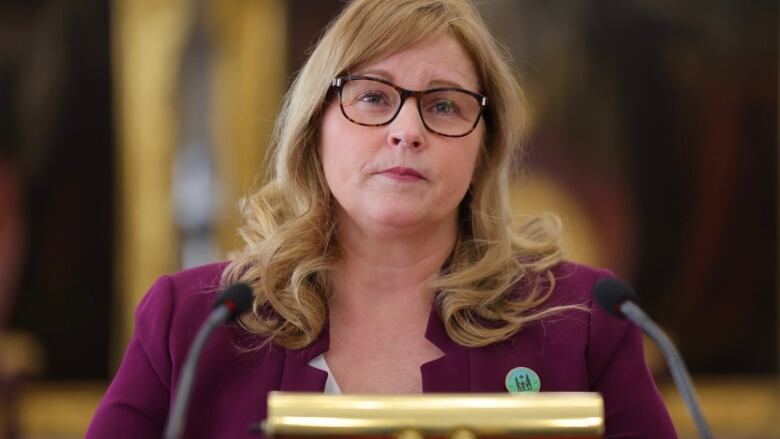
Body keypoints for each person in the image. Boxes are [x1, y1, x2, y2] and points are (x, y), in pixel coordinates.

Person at [87, 0, 678, 437]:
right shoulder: (193, 323)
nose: (407, 130)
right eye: (372, 96)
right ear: (316, 128)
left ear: (483, 148)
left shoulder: (584, 320)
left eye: (444, 104)